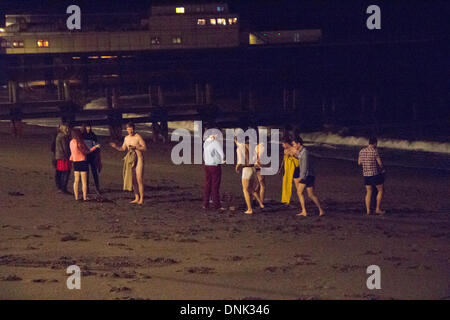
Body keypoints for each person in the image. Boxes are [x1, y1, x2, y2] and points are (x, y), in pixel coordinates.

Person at [110, 122, 147, 205]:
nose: (131, 130)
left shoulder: (138, 137)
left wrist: (136, 147)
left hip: (139, 159)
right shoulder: (126, 138)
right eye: (129, 129)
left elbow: (144, 148)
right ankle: (136, 197)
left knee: (139, 179)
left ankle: (141, 198)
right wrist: (115, 146)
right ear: (126, 129)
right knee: (133, 180)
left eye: (132, 129)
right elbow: (123, 148)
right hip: (131, 160)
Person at [289, 136, 324, 216]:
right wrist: (294, 156)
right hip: (308, 175)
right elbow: (301, 158)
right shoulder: (302, 152)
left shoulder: (304, 152)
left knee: (303, 193)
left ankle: (307, 211)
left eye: (294, 144)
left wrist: (302, 178)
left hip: (307, 176)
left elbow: (304, 166)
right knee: (310, 194)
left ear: (298, 144)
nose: (294, 146)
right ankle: (318, 210)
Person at [69, 128, 100, 201]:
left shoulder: (71, 142)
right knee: (84, 181)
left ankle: (76, 197)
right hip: (82, 161)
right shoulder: (80, 142)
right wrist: (95, 147)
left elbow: (72, 153)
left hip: (75, 162)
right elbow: (86, 152)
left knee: (76, 181)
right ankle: (85, 197)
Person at [235, 137, 264, 214]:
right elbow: (255, 158)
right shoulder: (251, 147)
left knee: (245, 190)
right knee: (251, 188)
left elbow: (240, 161)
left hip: (246, 169)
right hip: (253, 169)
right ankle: (261, 203)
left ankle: (249, 209)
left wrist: (237, 167)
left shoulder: (239, 149)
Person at [358, 136, 386, 215]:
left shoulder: (362, 151)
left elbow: (359, 163)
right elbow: (380, 163)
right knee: (380, 190)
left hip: (366, 175)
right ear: (375, 143)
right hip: (374, 174)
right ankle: (377, 209)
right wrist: (383, 169)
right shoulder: (374, 151)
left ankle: (368, 210)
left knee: (368, 192)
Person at [202, 131, 225, 211]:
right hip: (215, 166)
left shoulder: (205, 142)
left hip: (207, 165)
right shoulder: (216, 143)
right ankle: (217, 205)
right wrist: (222, 160)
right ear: (215, 134)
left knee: (207, 185)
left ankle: (205, 204)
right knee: (215, 186)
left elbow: (204, 154)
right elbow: (222, 154)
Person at [81, 123, 102, 195]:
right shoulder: (82, 135)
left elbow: (96, 145)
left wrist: (98, 157)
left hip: (92, 155)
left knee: (94, 172)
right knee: (86, 173)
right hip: (86, 155)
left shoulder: (93, 135)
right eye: (87, 127)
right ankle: (87, 188)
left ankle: (97, 188)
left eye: (89, 127)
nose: (88, 128)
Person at [280, 136, 298, 205]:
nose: (282, 145)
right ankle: (286, 199)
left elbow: (299, 158)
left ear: (286, 143)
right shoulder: (285, 150)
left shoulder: (294, 149)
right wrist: (281, 169)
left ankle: (300, 197)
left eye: (283, 144)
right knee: (286, 182)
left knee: (295, 184)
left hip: (294, 167)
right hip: (287, 168)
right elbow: (283, 161)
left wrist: (292, 155)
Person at [54, 124, 71, 194]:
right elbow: (65, 148)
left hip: (59, 156)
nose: (68, 129)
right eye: (67, 128)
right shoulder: (63, 136)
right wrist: (69, 156)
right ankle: (63, 188)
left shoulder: (58, 136)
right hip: (64, 157)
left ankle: (60, 187)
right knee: (66, 172)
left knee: (60, 172)